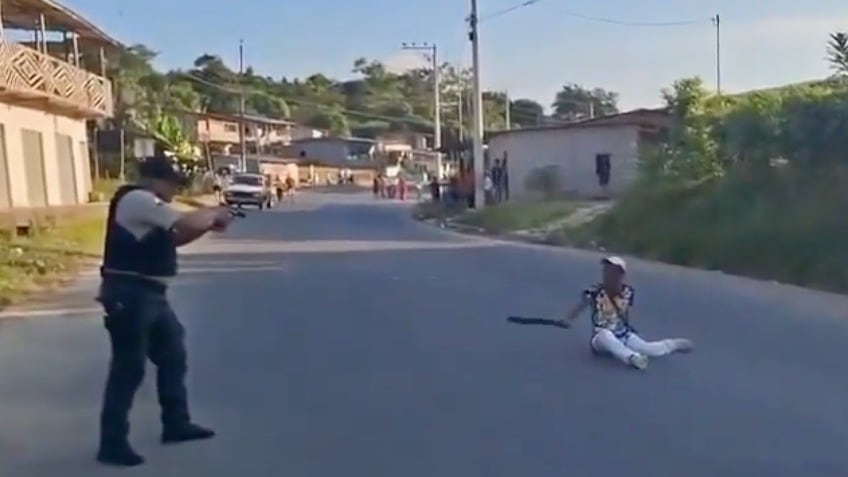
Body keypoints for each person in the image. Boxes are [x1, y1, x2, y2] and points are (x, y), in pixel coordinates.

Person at [96, 154, 236, 466]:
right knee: (127, 369)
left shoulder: (149, 208)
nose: (174, 191)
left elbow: (176, 238)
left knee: (173, 356)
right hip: (130, 295)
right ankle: (112, 442)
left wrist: (210, 224)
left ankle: (176, 423)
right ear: (156, 180)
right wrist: (212, 212)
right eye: (172, 184)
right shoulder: (138, 200)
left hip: (151, 294)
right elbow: (183, 221)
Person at [560, 256, 693, 370]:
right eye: (606, 271)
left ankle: (673, 345)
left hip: (623, 334)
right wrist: (568, 319)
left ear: (621, 275)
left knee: (648, 348)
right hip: (600, 338)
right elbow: (581, 305)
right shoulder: (594, 291)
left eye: (612, 272)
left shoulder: (628, 292)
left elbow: (624, 310)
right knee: (605, 335)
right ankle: (632, 358)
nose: (607, 274)